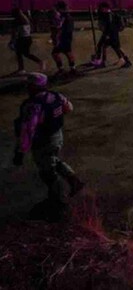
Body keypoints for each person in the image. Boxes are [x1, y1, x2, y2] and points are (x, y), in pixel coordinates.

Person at [13, 73, 84, 221]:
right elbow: (69, 108)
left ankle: (59, 201)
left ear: (33, 86)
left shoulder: (33, 105)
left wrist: (21, 151)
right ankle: (73, 179)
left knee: (47, 172)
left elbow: (28, 129)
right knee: (52, 159)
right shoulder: (56, 96)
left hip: (43, 140)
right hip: (57, 135)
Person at [92, 2, 132, 68]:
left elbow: (109, 26)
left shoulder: (108, 15)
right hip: (113, 34)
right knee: (114, 47)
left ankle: (122, 60)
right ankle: (125, 60)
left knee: (108, 46)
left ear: (104, 8)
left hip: (110, 34)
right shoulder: (111, 14)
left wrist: (107, 35)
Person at [10, 8, 46, 74]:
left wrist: (12, 41)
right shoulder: (25, 19)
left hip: (22, 39)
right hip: (27, 38)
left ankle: (24, 68)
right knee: (22, 54)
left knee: (22, 54)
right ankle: (22, 68)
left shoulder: (17, 21)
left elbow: (15, 32)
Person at [50, 1, 77, 74]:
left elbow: (62, 28)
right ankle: (71, 68)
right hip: (65, 37)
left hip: (64, 37)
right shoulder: (64, 16)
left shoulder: (65, 17)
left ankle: (68, 68)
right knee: (65, 53)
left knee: (62, 53)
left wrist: (57, 37)